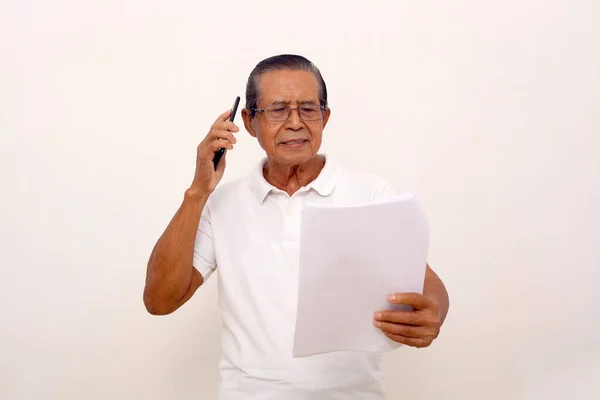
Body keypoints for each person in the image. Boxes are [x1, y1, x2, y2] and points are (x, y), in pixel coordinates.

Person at [143, 54, 449, 399]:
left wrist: (432, 314)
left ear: (325, 117)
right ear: (248, 121)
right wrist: (198, 192)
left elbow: (428, 286)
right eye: (277, 110)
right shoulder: (221, 204)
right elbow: (160, 300)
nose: (295, 123)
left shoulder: (370, 193)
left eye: (308, 109)